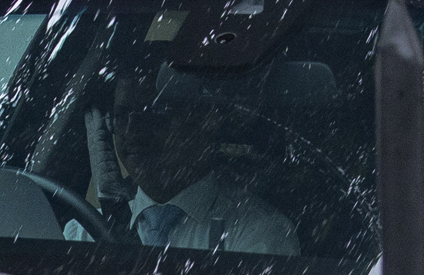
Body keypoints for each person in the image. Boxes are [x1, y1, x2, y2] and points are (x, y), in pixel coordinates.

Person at [105, 82, 299, 254]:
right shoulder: (84, 230)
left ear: (205, 121)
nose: (132, 131)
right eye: (121, 117)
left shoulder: (260, 231)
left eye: (153, 113)